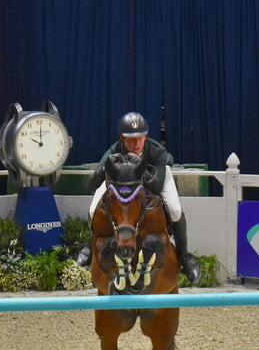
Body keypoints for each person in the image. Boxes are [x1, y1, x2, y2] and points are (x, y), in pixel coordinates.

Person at [81, 112, 200, 284]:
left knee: (174, 210)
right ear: (122, 138)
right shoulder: (115, 150)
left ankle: (184, 257)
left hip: (157, 178)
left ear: (146, 136)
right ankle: (89, 245)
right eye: (130, 139)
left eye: (140, 138)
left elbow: (157, 185)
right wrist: (104, 167)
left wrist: (138, 165)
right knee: (93, 210)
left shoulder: (158, 152)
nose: (136, 143)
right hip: (122, 182)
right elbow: (90, 185)